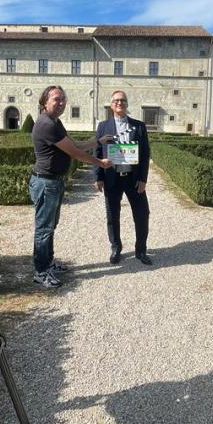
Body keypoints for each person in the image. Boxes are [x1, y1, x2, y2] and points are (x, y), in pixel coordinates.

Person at [30, 85, 111, 288]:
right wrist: (100, 163)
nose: (61, 102)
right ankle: (41, 272)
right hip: (46, 182)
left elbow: (73, 145)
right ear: (44, 102)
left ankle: (48, 263)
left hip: (53, 181)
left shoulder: (55, 123)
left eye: (63, 99)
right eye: (56, 99)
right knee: (44, 229)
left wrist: (97, 141)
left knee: (50, 227)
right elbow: (74, 153)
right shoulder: (46, 124)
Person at [94, 90, 152, 265]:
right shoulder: (103, 126)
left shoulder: (139, 126)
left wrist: (143, 178)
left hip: (133, 178)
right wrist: (98, 176)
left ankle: (141, 250)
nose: (120, 103)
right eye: (116, 100)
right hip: (112, 177)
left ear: (127, 104)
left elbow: (145, 153)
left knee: (142, 213)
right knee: (112, 215)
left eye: (123, 100)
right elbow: (97, 151)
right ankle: (116, 247)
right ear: (111, 105)